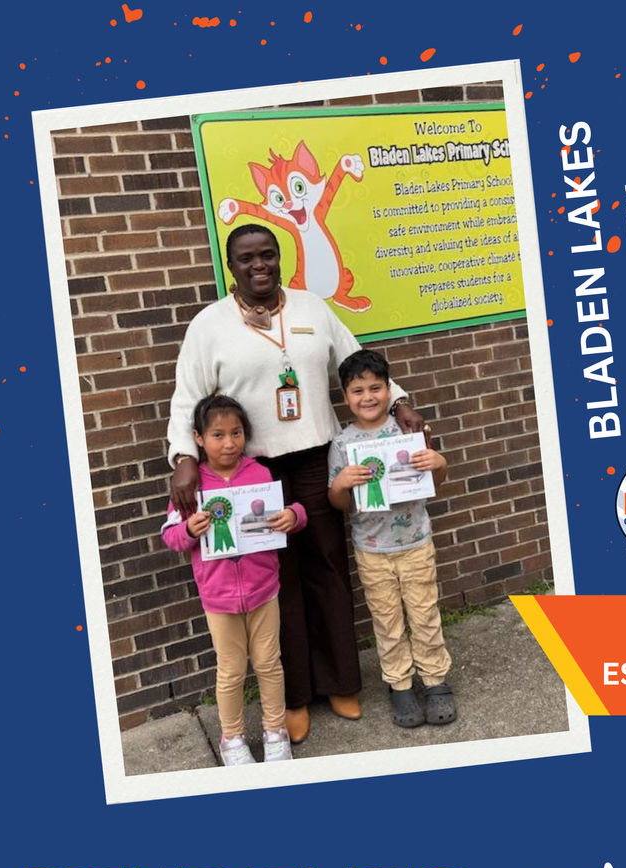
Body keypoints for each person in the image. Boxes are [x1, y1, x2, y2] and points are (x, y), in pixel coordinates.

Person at [167, 224, 423, 741]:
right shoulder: (209, 324)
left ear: (279, 259)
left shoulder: (310, 307)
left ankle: (340, 682)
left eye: (267, 255)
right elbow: (186, 396)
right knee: (277, 581)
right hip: (253, 473)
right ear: (230, 266)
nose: (258, 264)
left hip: (314, 459)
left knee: (327, 566)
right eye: (246, 258)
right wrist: (184, 457)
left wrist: (398, 401)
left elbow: (354, 361)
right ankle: (297, 696)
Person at [161, 394, 307, 765]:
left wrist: (295, 515)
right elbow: (171, 536)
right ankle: (232, 739)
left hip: (264, 592)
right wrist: (190, 531)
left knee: (269, 663)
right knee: (230, 670)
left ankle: (275, 730)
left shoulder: (258, 473)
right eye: (218, 435)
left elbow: (288, 513)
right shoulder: (190, 486)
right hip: (219, 599)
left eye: (237, 433)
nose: (229, 443)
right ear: (198, 437)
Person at [328, 350, 456, 728]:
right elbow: (338, 503)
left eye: (375, 388)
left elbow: (434, 482)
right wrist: (340, 484)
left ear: (389, 390)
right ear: (345, 396)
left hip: (416, 542)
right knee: (386, 621)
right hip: (372, 550)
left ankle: (435, 681)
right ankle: (399, 685)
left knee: (424, 613)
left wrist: (440, 463)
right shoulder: (342, 444)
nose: (367, 397)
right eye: (357, 390)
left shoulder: (409, 431)